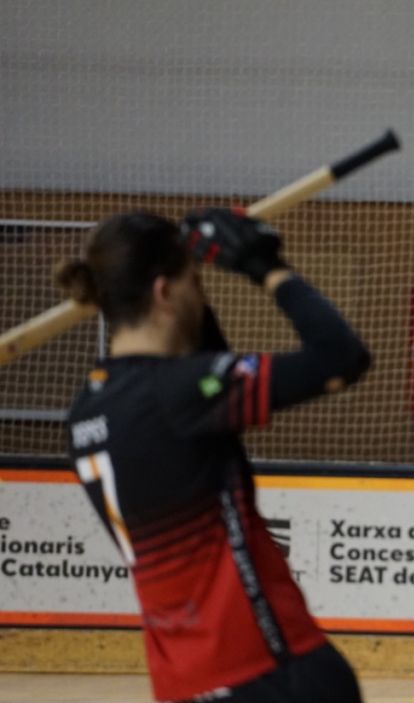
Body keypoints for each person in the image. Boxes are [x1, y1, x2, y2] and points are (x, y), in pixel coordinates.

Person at [59, 209, 370, 703]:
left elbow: (198, 367)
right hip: (271, 674)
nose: (201, 295)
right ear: (165, 292)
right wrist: (265, 267)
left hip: (185, 682)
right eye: (195, 283)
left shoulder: (87, 408)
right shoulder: (181, 394)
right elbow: (341, 357)